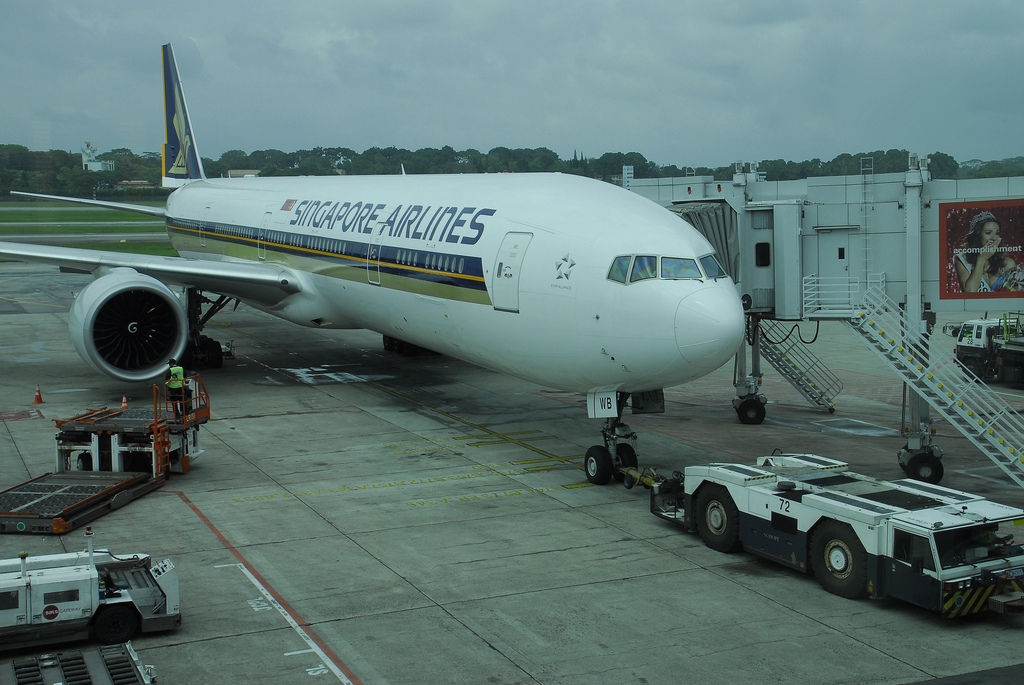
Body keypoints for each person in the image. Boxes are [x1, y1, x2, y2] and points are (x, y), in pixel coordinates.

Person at [954, 210, 1017, 292]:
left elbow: (1014, 295)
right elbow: (970, 292)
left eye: (997, 233)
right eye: (988, 233)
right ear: (977, 236)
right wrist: (981, 259)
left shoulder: (1008, 264)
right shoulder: (961, 260)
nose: (994, 238)